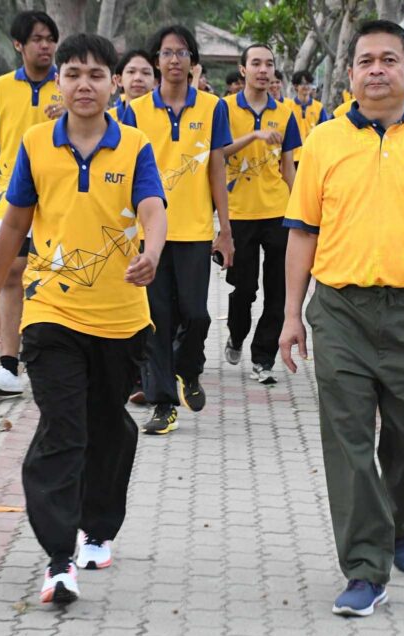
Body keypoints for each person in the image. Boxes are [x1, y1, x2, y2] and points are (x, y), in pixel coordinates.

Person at [279, 19, 404, 618]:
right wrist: (291, 316)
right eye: (365, 61)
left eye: (388, 60)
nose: (376, 70)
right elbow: (302, 234)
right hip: (340, 311)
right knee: (347, 441)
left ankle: (398, 517)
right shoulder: (323, 142)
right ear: (349, 74)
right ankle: (366, 569)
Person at [0, 32, 166, 604]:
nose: (85, 85)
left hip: (119, 318)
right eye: (74, 74)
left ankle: (97, 529)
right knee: (63, 428)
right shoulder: (37, 143)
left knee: (107, 426)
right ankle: (59, 560)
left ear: (114, 84)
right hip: (51, 312)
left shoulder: (134, 145)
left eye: (96, 75)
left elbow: (153, 207)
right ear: (58, 82)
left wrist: (152, 252)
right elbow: (14, 224)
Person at [121, 25, 234, 436]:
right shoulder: (134, 111)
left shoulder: (213, 107)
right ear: (156, 61)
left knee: (196, 314)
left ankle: (189, 368)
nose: (174, 60)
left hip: (196, 231)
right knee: (157, 319)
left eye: (182, 53)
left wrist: (225, 230)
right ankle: (163, 404)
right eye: (167, 53)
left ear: (192, 61)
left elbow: (217, 169)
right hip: (148, 234)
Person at [0, 10, 63, 397]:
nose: (46, 46)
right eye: (37, 39)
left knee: (55, 276)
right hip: (8, 198)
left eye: (50, 39)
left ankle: (56, 360)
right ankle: (8, 367)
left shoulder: (68, 84)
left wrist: (72, 113)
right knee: (12, 273)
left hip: (60, 199)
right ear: (18, 45)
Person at [222, 44, 301, 385]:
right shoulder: (224, 109)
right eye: (256, 63)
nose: (263, 70)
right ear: (243, 70)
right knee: (244, 288)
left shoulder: (285, 113)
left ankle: (263, 358)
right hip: (239, 211)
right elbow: (218, 154)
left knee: (278, 290)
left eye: (269, 64)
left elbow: (288, 167)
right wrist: (254, 135)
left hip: (278, 212)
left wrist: (300, 211)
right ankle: (236, 334)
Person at [285, 69, 327, 166]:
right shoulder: (288, 107)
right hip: (293, 157)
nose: (306, 87)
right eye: (303, 84)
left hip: (313, 156)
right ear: (296, 86)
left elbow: (324, 131)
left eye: (308, 83)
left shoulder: (319, 107)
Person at [111, 49, 155, 122]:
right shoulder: (108, 119)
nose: (138, 78)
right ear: (119, 80)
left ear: (155, 82)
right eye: (131, 72)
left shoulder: (165, 117)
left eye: (146, 73)